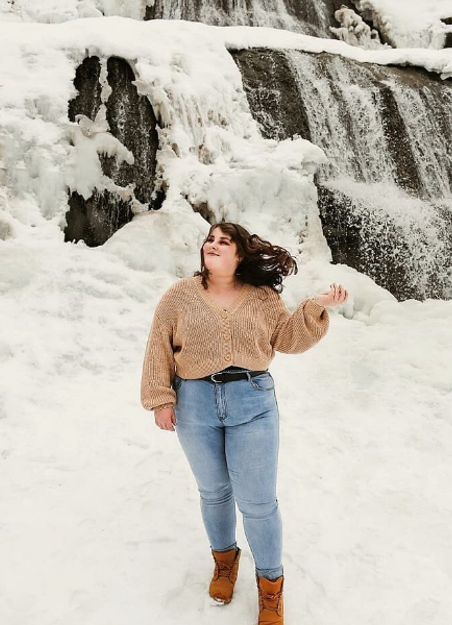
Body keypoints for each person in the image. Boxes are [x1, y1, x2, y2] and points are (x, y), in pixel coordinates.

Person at [140, 223, 348, 625]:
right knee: (214, 492)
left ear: (240, 255)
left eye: (224, 241)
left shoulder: (262, 297)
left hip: (251, 400)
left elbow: (288, 339)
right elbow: (158, 346)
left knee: (258, 502)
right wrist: (159, 399)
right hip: (195, 403)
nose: (212, 245)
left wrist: (315, 307)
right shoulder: (179, 294)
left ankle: (271, 587)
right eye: (209, 239)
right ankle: (224, 561)